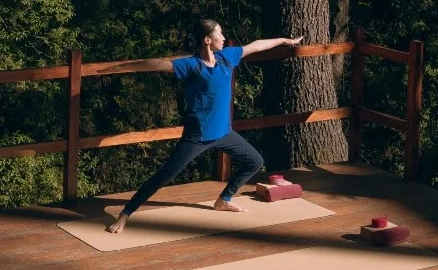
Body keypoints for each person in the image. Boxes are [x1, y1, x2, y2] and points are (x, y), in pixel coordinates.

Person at [106, 19, 303, 233]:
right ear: (207, 40)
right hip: (196, 137)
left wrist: (285, 40)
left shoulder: (227, 57)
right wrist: (121, 67)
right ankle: (125, 214)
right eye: (220, 34)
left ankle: (224, 199)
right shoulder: (191, 65)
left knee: (255, 161)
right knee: (163, 177)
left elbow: (255, 45)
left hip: (224, 133)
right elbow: (158, 63)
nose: (224, 37)